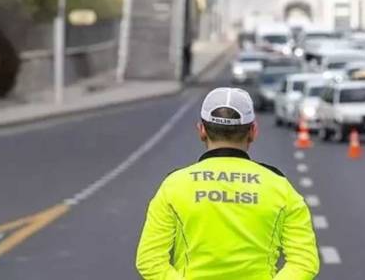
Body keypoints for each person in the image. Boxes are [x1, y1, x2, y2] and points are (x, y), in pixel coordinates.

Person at [136, 87, 320, 280]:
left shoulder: (174, 186)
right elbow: (304, 261)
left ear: (201, 130)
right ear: (253, 132)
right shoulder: (280, 187)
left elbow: (149, 260)